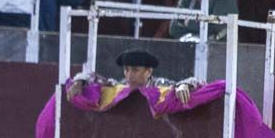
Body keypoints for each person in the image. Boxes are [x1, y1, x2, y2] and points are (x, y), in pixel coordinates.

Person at [67, 49, 199, 106]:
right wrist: (79, 82)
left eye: (135, 70)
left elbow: (194, 81)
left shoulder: (160, 85)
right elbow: (93, 77)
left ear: (148, 72)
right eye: (126, 70)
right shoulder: (120, 86)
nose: (129, 75)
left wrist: (184, 85)